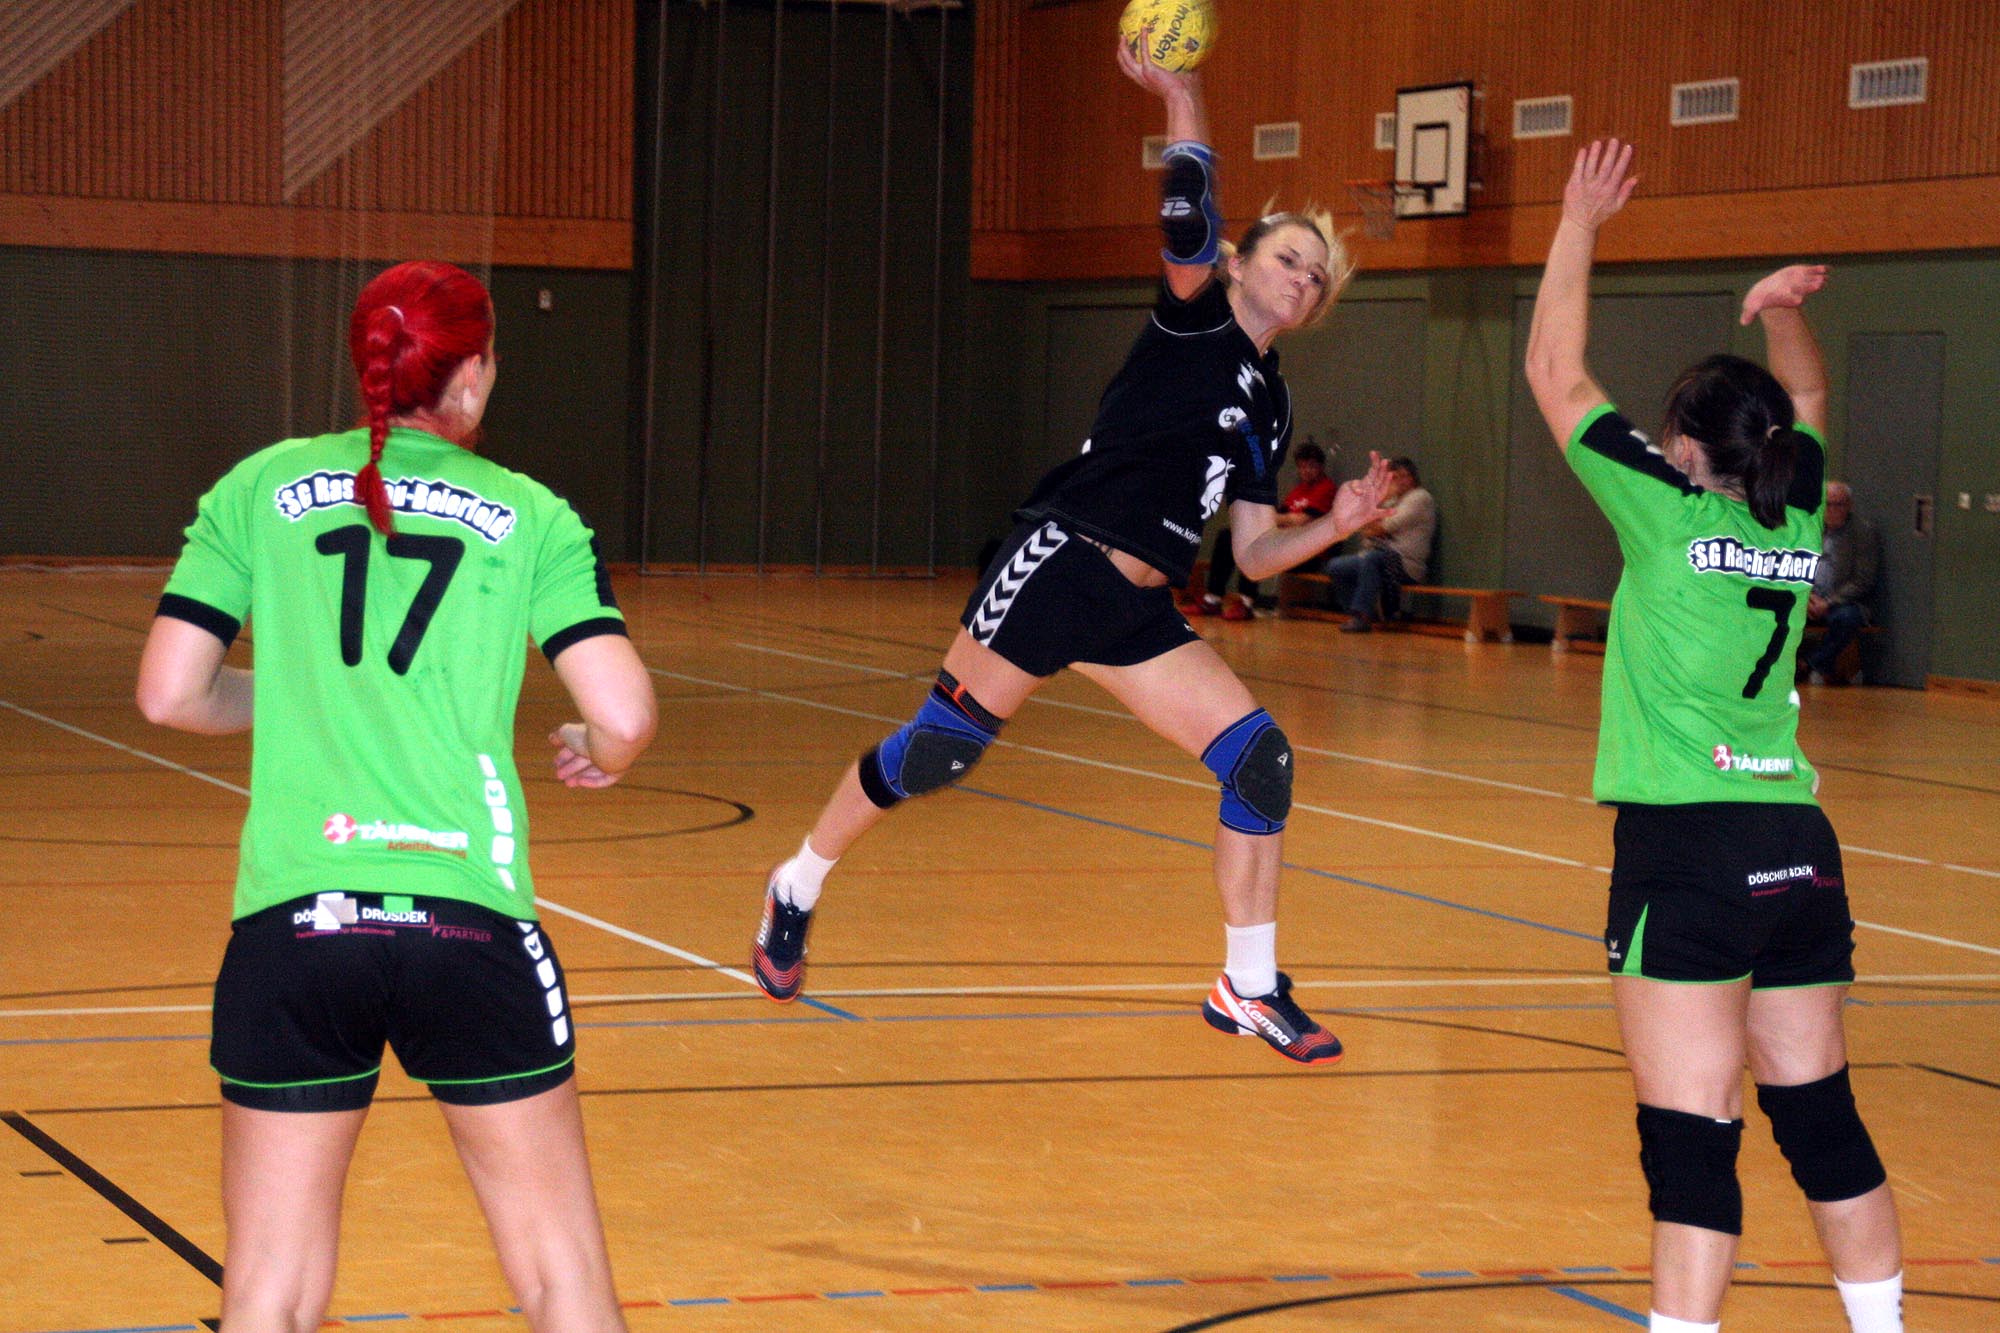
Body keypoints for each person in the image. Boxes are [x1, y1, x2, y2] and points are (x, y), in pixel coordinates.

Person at [748, 36, 1393, 1064]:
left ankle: (1247, 986)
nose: (1303, 279)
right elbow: (1187, 206)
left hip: (1137, 608)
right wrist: (1182, 92)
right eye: (1287, 258)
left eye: (1316, 277)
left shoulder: (1270, 402)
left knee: (1258, 760)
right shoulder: (1194, 319)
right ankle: (798, 881)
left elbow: (1258, 552)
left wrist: (1339, 523)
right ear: (1238, 263)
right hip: (1063, 559)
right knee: (941, 750)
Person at [135, 260, 656, 1332]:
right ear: (474, 372)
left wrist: (301, 695)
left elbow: (169, 693)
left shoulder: (258, 487)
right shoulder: (533, 514)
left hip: (298, 922)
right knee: (560, 1280)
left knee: (269, 1292)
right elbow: (625, 713)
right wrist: (596, 746)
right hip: (468, 919)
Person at [1526, 141, 1902, 1333]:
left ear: (1683, 449)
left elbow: (1552, 368)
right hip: (1794, 843)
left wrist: (1578, 220)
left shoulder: (1662, 506)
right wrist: (1778, 310)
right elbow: (1808, 400)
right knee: (1819, 1118)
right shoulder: (1793, 518)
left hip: (1686, 848)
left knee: (1689, 1141)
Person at [1188, 438, 1337, 619]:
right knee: (1228, 536)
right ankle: (1214, 597)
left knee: (1255, 541)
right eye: (1302, 466)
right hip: (1289, 540)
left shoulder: (1326, 488)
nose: (1306, 471)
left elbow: (1301, 520)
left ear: (1321, 467)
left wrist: (1266, 518)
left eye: (1311, 466)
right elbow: (1282, 517)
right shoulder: (1298, 491)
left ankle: (1246, 601)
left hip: (1310, 552)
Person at [1322, 455, 1435, 631]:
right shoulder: (1392, 500)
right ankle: (1359, 612)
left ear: (1413, 478)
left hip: (1406, 563)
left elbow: (1386, 526)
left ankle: (1362, 618)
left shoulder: (1420, 498)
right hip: (1380, 557)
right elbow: (1365, 528)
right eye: (1394, 477)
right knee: (1336, 566)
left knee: (1372, 559)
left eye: (1404, 476)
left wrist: (1375, 527)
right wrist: (1380, 505)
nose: (1400, 481)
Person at [1803, 481, 1881, 684]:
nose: (1832, 510)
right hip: (1808, 598)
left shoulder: (1863, 533)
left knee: (1847, 619)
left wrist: (1828, 602)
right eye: (1828, 504)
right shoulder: (1809, 528)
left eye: (1838, 505)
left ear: (1849, 506)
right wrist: (1807, 596)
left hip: (1843, 602)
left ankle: (1813, 663)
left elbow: (1863, 579)